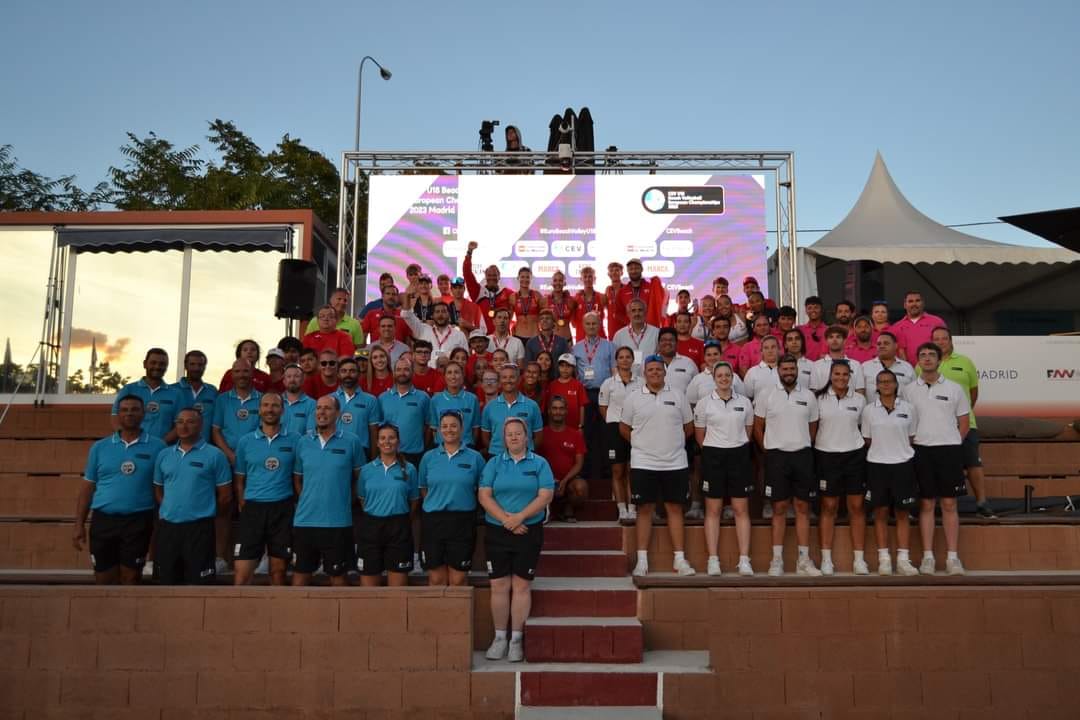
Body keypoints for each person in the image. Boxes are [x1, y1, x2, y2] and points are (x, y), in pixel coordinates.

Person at [479, 417, 555, 662]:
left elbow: (545, 495)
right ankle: (500, 638)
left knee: (521, 586)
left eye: (518, 433)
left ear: (527, 436)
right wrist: (506, 520)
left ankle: (516, 641)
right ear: (504, 438)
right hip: (498, 530)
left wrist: (520, 517)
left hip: (528, 531)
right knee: (499, 585)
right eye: (509, 434)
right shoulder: (493, 463)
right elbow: (484, 495)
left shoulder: (540, 463)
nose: (513, 437)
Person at [74, 394, 166, 584]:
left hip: (138, 520)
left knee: (130, 577)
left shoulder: (158, 447)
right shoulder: (100, 447)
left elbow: (163, 486)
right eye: (124, 410)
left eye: (134, 409)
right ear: (118, 414)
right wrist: (79, 524)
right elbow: (88, 487)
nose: (129, 414)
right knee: (104, 578)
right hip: (103, 520)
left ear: (143, 413)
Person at [621, 355, 696, 577]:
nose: (655, 372)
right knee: (644, 509)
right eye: (651, 369)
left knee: (675, 508)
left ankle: (680, 560)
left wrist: (671, 444)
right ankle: (642, 561)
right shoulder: (633, 398)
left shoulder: (678, 395)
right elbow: (624, 428)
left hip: (675, 462)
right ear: (644, 373)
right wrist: (641, 444)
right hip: (643, 463)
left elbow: (688, 427)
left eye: (658, 369)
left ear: (665, 372)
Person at [903, 342, 970, 575]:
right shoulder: (908, 390)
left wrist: (953, 443)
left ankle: (953, 558)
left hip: (948, 451)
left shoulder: (955, 389)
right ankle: (928, 558)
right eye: (923, 354)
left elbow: (964, 423)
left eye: (932, 354)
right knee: (927, 504)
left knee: (949, 504)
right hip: (920, 451)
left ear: (940, 360)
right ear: (918, 360)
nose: (927, 358)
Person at [753, 354, 821, 576]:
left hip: (802, 455)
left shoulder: (808, 396)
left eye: (792, 369)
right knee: (779, 508)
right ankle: (776, 560)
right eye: (785, 369)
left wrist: (800, 443)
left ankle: (803, 560)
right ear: (778, 371)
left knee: (802, 507)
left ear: (797, 370)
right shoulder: (766, 395)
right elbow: (758, 426)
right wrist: (769, 449)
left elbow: (812, 427)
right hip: (776, 457)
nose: (789, 372)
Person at [291, 395, 365, 586]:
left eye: (327, 408)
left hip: (338, 522)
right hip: (305, 521)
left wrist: (346, 500)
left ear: (338, 413)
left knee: (338, 579)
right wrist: (308, 499)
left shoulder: (352, 441)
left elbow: (360, 478)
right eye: (318, 408)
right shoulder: (303, 442)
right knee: (299, 579)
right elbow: (297, 479)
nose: (321, 412)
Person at [153, 409, 232, 584]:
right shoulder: (164, 454)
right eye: (180, 422)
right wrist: (170, 509)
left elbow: (225, 496)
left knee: (199, 584)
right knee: (166, 582)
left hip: (199, 529)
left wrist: (204, 513)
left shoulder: (215, 455)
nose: (184, 426)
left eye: (190, 422)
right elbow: (158, 489)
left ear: (201, 425)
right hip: (168, 528)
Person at [694, 362, 755, 576]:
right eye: (719, 375)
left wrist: (734, 446)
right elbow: (700, 436)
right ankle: (713, 560)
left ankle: (744, 560)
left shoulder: (745, 403)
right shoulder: (704, 404)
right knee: (713, 510)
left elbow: (748, 432)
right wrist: (715, 449)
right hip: (713, 456)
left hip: (739, 456)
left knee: (741, 509)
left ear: (732, 377)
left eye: (727, 375)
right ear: (714, 379)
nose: (724, 378)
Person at [930, 326, 994, 518]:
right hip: (936, 425)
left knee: (972, 462)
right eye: (936, 339)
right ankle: (936, 505)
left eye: (944, 338)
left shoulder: (965, 362)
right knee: (936, 465)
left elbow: (973, 392)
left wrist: (962, 413)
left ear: (951, 341)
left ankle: (982, 502)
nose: (940, 342)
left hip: (966, 424)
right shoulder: (923, 364)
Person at [862, 369, 921, 576]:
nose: (886, 384)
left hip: (903, 465)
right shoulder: (869, 410)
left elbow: (911, 436)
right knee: (880, 512)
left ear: (896, 385)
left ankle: (903, 559)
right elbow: (867, 439)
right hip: (877, 465)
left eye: (889, 381)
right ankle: (884, 559)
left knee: (903, 513)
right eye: (881, 382)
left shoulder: (909, 408)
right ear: (876, 386)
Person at [232, 392, 295, 586]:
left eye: (275, 406)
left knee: (278, 572)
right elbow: (240, 479)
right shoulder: (245, 441)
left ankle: (277, 606)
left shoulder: (295, 439)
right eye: (265, 405)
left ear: (282, 410)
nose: (270, 409)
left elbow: (298, 476)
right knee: (242, 574)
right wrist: (243, 503)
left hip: (282, 509)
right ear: (259, 410)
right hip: (253, 509)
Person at [814, 361, 868, 576]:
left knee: (857, 506)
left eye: (845, 374)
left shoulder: (860, 399)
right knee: (829, 506)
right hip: (826, 456)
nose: (841, 378)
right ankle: (826, 559)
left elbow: (865, 427)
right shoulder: (818, 399)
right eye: (837, 374)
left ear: (850, 377)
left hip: (854, 455)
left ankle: (859, 560)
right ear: (830, 375)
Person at [419, 410, 485, 585]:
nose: (449, 430)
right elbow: (423, 488)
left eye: (454, 426)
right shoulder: (428, 458)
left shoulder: (475, 458)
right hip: (434, 521)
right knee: (436, 578)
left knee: (458, 578)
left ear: (462, 429)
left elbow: (482, 489)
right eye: (445, 426)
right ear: (439, 430)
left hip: (462, 521)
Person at [210, 358, 263, 573]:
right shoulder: (222, 400)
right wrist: (230, 455)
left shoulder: (262, 399)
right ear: (232, 374)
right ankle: (220, 557)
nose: (242, 375)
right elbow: (216, 430)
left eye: (246, 371)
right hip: (226, 460)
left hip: (254, 462)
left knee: (253, 509)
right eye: (238, 371)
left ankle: (255, 558)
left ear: (252, 374)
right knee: (224, 507)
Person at [356, 423, 420, 586]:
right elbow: (363, 499)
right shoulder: (366, 470)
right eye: (383, 438)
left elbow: (414, 501)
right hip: (371, 528)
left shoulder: (410, 469)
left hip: (399, 528)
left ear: (398, 442)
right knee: (369, 589)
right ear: (377, 443)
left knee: (398, 589)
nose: (387, 442)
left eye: (391, 438)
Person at [572, 312, 615, 480]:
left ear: (600, 325)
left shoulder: (609, 346)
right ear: (583, 326)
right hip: (585, 393)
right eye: (588, 324)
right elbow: (575, 373)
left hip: (605, 393)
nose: (591, 326)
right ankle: (587, 470)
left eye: (594, 323)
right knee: (587, 432)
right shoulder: (576, 348)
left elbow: (614, 370)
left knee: (606, 431)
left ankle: (607, 469)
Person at [599, 346, 639, 521]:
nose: (624, 360)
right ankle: (622, 509)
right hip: (614, 429)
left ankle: (633, 507)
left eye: (628, 357)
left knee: (632, 469)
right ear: (616, 361)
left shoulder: (641, 382)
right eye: (621, 357)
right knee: (617, 470)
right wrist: (613, 422)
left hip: (635, 428)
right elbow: (603, 407)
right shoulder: (608, 383)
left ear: (632, 360)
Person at [113, 348, 179, 441]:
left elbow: (179, 425)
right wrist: (127, 440)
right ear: (145, 364)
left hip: (163, 447)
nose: (157, 366)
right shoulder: (128, 389)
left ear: (166, 367)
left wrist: (160, 444)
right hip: (132, 445)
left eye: (162, 364)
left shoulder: (176, 394)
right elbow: (115, 416)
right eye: (153, 363)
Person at [540, 396, 588, 522]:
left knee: (580, 488)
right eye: (554, 408)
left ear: (566, 411)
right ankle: (546, 509)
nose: (558, 412)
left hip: (568, 480)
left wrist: (565, 481)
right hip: (545, 481)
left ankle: (566, 507)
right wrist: (550, 480)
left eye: (561, 408)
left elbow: (579, 463)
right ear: (549, 411)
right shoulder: (541, 434)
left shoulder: (576, 435)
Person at [377, 358, 432, 467]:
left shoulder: (423, 397)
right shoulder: (382, 398)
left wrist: (422, 447)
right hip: (388, 453)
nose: (402, 373)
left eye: (406, 369)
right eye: (398, 369)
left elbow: (429, 426)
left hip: (415, 455)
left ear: (412, 372)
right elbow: (378, 428)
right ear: (393, 373)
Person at [482, 364, 544, 456]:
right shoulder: (489, 407)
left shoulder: (532, 405)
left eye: (512, 377)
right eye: (504, 377)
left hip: (524, 458)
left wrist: (525, 453)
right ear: (500, 381)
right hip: (496, 457)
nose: (508, 380)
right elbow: (485, 436)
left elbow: (538, 436)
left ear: (519, 380)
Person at [331, 357, 381, 459]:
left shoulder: (370, 400)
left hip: (361, 451)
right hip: (334, 450)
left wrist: (374, 459)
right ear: (338, 374)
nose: (348, 374)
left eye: (352, 371)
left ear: (359, 374)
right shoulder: (329, 399)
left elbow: (373, 432)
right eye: (344, 371)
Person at [463, 241, 515, 333]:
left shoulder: (507, 293)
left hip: (502, 336)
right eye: (489, 275)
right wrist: (469, 252)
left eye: (494, 275)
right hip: (483, 337)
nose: (492, 278)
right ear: (485, 276)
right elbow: (467, 274)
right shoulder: (478, 292)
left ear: (499, 277)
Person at [403, 298, 468, 368]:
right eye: (437, 312)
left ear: (449, 315)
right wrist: (407, 296)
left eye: (443, 311)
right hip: (428, 373)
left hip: (450, 373)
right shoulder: (423, 330)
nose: (440, 314)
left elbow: (465, 359)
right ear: (432, 315)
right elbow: (407, 315)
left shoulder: (459, 335)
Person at [429, 361, 482, 447]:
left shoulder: (472, 399)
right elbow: (434, 429)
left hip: (466, 447)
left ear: (462, 375)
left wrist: (470, 446)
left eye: (456, 372)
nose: (453, 376)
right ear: (444, 377)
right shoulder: (435, 400)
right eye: (449, 373)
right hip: (442, 447)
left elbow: (475, 428)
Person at [171, 350, 218, 443]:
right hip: (177, 447)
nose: (196, 368)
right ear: (185, 365)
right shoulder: (172, 390)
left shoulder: (212, 391)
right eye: (192, 364)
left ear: (205, 367)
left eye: (200, 365)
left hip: (205, 447)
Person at [890, 291, 946, 365]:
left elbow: (946, 345)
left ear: (923, 303)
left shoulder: (937, 322)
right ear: (905, 305)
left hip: (934, 368)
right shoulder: (896, 327)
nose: (914, 304)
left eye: (917, 301)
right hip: (907, 369)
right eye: (910, 301)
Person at [862, 331, 916, 404]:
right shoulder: (865, 367)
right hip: (872, 410)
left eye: (886, 343)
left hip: (902, 410)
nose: (882, 346)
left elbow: (914, 393)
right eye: (879, 344)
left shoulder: (907, 367)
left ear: (896, 346)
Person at [810, 326, 865, 395]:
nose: (834, 340)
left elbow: (860, 391)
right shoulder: (817, 365)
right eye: (831, 337)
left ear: (844, 341)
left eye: (838, 337)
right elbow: (814, 392)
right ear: (826, 341)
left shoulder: (856, 365)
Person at [611, 298, 659, 375]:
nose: (637, 313)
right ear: (628, 314)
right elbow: (614, 362)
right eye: (633, 310)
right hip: (627, 379)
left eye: (640, 310)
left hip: (650, 378)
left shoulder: (656, 333)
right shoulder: (619, 335)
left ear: (645, 312)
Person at [542, 354, 589, 429]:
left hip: (574, 427)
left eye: (568, 366)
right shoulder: (552, 385)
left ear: (573, 368)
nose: (565, 369)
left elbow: (582, 407)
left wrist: (581, 426)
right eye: (562, 366)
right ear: (558, 367)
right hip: (555, 427)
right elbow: (548, 407)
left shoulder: (578, 385)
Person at [616, 258, 665, 327]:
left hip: (649, 328)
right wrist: (630, 323)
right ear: (627, 271)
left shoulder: (651, 288)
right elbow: (618, 313)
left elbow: (659, 307)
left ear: (642, 269)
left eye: (636, 268)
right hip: (630, 330)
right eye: (631, 269)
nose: (634, 271)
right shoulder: (622, 292)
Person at [654, 327, 698, 395]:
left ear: (677, 343)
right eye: (664, 340)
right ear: (659, 343)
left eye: (671, 340)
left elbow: (696, 388)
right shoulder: (649, 363)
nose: (668, 342)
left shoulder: (688, 363)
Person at [571, 266, 607, 341]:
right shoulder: (575, 299)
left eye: (590, 276)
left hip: (599, 339)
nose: (587, 279)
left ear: (594, 278)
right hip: (582, 339)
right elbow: (573, 324)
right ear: (581, 279)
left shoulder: (602, 297)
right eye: (585, 277)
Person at [743, 336, 782, 403]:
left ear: (779, 349)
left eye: (773, 347)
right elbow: (747, 396)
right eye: (766, 348)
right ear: (761, 351)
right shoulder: (752, 372)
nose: (770, 351)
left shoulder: (786, 371)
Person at [281, 363, 316, 436]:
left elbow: (311, 434)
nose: (292, 380)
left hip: (301, 443)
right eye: (289, 376)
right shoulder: (275, 402)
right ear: (284, 381)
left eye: (296, 376)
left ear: (303, 380)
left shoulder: (312, 404)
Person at [545, 270, 577, 340]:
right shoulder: (545, 301)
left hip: (567, 339)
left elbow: (575, 323)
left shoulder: (571, 301)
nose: (557, 283)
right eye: (555, 280)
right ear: (552, 283)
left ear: (564, 283)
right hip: (551, 341)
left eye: (560, 280)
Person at [798, 296, 828, 361]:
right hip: (804, 365)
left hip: (824, 364)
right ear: (806, 311)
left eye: (816, 308)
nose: (813, 310)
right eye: (809, 308)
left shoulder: (828, 330)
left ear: (821, 310)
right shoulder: (799, 330)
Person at [604, 261, 629, 337]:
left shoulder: (627, 289)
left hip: (625, 327)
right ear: (608, 274)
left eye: (617, 270)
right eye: (611, 270)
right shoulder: (608, 289)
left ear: (622, 273)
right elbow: (606, 306)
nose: (614, 272)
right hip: (612, 329)